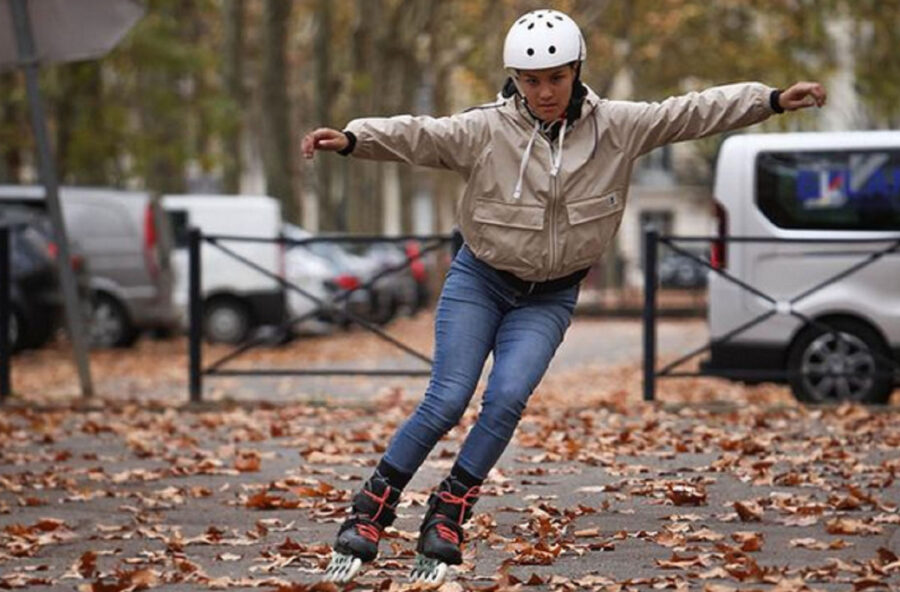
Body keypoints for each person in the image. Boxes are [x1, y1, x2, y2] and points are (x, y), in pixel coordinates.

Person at [301, 8, 826, 585]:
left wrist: (771, 99)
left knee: (505, 399)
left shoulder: (618, 127)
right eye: (531, 81)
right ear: (514, 79)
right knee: (448, 397)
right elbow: (420, 134)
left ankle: (450, 509)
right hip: (480, 280)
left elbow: (691, 112)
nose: (544, 92)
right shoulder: (486, 130)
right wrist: (353, 139)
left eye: (556, 77)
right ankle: (373, 506)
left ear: (578, 70)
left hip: (548, 298)